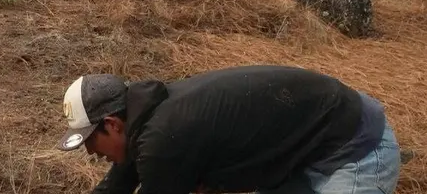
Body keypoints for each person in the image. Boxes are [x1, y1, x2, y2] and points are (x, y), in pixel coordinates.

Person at [55, 65, 401, 194]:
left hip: (352, 145)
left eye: (94, 147)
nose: (96, 156)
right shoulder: (146, 115)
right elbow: (120, 181)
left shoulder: (163, 136)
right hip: (303, 149)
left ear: (113, 124)